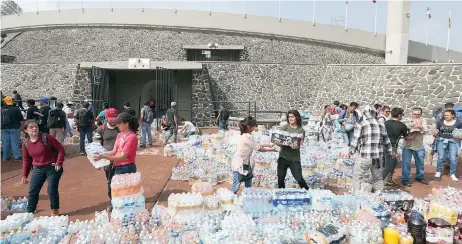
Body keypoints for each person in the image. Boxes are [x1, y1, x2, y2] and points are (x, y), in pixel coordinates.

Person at [21, 120, 65, 216]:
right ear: (25, 130)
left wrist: (59, 162)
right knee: (33, 190)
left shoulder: (46, 137)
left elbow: (61, 149)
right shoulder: (25, 143)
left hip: (52, 167)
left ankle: (55, 209)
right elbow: (26, 160)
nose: (34, 128)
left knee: (51, 189)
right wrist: (24, 175)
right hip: (38, 169)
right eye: (31, 127)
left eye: (36, 126)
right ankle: (30, 212)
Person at [350, 105, 391, 194]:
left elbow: (355, 140)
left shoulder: (361, 124)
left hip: (365, 155)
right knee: (377, 177)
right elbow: (387, 141)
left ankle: (356, 194)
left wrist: (351, 151)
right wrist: (390, 152)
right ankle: (378, 194)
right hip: (377, 157)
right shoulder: (381, 124)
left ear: (364, 113)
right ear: (375, 113)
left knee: (358, 176)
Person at [231, 116, 276, 194]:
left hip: (245, 162)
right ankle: (230, 199)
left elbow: (254, 145)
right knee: (236, 184)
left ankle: (247, 197)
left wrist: (268, 145)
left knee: (248, 182)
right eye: (254, 125)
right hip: (240, 163)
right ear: (249, 127)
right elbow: (259, 148)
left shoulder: (244, 134)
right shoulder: (248, 137)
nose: (256, 127)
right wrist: (271, 149)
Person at [274, 110, 309, 190]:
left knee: (299, 179)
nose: (290, 118)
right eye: (289, 117)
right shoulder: (284, 127)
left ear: (297, 117)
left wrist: (295, 146)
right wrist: (277, 143)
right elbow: (278, 140)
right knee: (280, 179)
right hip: (283, 157)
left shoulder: (301, 130)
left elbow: (300, 145)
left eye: (292, 116)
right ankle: (281, 195)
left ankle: (308, 192)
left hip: (294, 158)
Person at [94, 108, 119, 211]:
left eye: (114, 118)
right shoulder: (101, 129)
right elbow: (96, 146)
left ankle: (122, 201)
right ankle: (112, 201)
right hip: (107, 160)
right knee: (110, 181)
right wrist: (98, 162)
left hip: (121, 159)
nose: (112, 120)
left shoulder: (121, 127)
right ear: (106, 118)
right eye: (110, 118)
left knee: (122, 180)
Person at [401, 107, 429, 187]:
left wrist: (420, 128)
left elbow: (426, 131)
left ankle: (419, 177)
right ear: (411, 114)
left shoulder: (423, 121)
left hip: (418, 145)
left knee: (420, 163)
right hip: (407, 145)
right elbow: (404, 130)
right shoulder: (406, 121)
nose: (416, 116)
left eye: (418, 114)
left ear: (421, 114)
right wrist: (413, 127)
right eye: (414, 114)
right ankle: (405, 179)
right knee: (406, 163)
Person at [383, 108, 410, 186]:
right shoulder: (402, 125)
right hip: (392, 147)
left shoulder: (386, 123)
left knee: (388, 163)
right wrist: (413, 133)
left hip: (383, 145)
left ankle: (388, 179)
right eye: (402, 115)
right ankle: (381, 181)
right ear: (399, 115)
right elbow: (407, 138)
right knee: (390, 164)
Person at [434, 109, 462, 182]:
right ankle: (438, 171)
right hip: (441, 140)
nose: (445, 116)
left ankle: (452, 174)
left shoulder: (458, 123)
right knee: (440, 157)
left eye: (447, 115)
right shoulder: (440, 122)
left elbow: (460, 133)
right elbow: (437, 130)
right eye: (445, 115)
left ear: (453, 115)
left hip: (453, 141)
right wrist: (435, 132)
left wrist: (460, 137)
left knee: (453, 158)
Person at [1, 96, 24, 161]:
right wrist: (22, 126)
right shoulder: (16, 109)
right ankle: (17, 156)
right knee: (15, 142)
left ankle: (6, 157)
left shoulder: (1, 109)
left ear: (4, 102)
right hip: (15, 127)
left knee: (5, 143)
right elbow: (21, 119)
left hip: (3, 128)